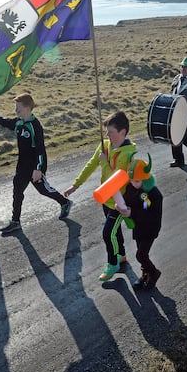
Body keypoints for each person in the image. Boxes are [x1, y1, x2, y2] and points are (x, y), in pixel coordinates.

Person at [0, 94, 72, 235]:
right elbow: (5, 122)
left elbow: (40, 149)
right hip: (22, 166)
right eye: (15, 107)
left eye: (18, 107)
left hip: (34, 167)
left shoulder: (35, 126)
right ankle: (15, 221)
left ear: (28, 108)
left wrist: (38, 168)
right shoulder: (19, 122)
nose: (16, 110)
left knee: (43, 190)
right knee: (17, 192)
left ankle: (64, 202)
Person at [64, 111, 136, 281]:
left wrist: (104, 161)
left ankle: (112, 264)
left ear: (123, 132)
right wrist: (76, 184)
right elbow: (91, 165)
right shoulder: (105, 145)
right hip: (106, 198)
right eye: (107, 131)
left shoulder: (128, 154)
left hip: (120, 202)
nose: (108, 135)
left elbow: (116, 179)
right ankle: (122, 255)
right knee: (114, 231)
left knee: (107, 233)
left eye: (111, 132)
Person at [116, 155, 163, 290]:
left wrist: (132, 213)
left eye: (136, 181)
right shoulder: (132, 187)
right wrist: (121, 205)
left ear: (146, 178)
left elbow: (152, 215)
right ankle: (145, 275)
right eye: (131, 180)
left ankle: (154, 273)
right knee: (142, 253)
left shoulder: (154, 194)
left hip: (150, 228)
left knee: (140, 255)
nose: (133, 183)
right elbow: (127, 200)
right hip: (138, 226)